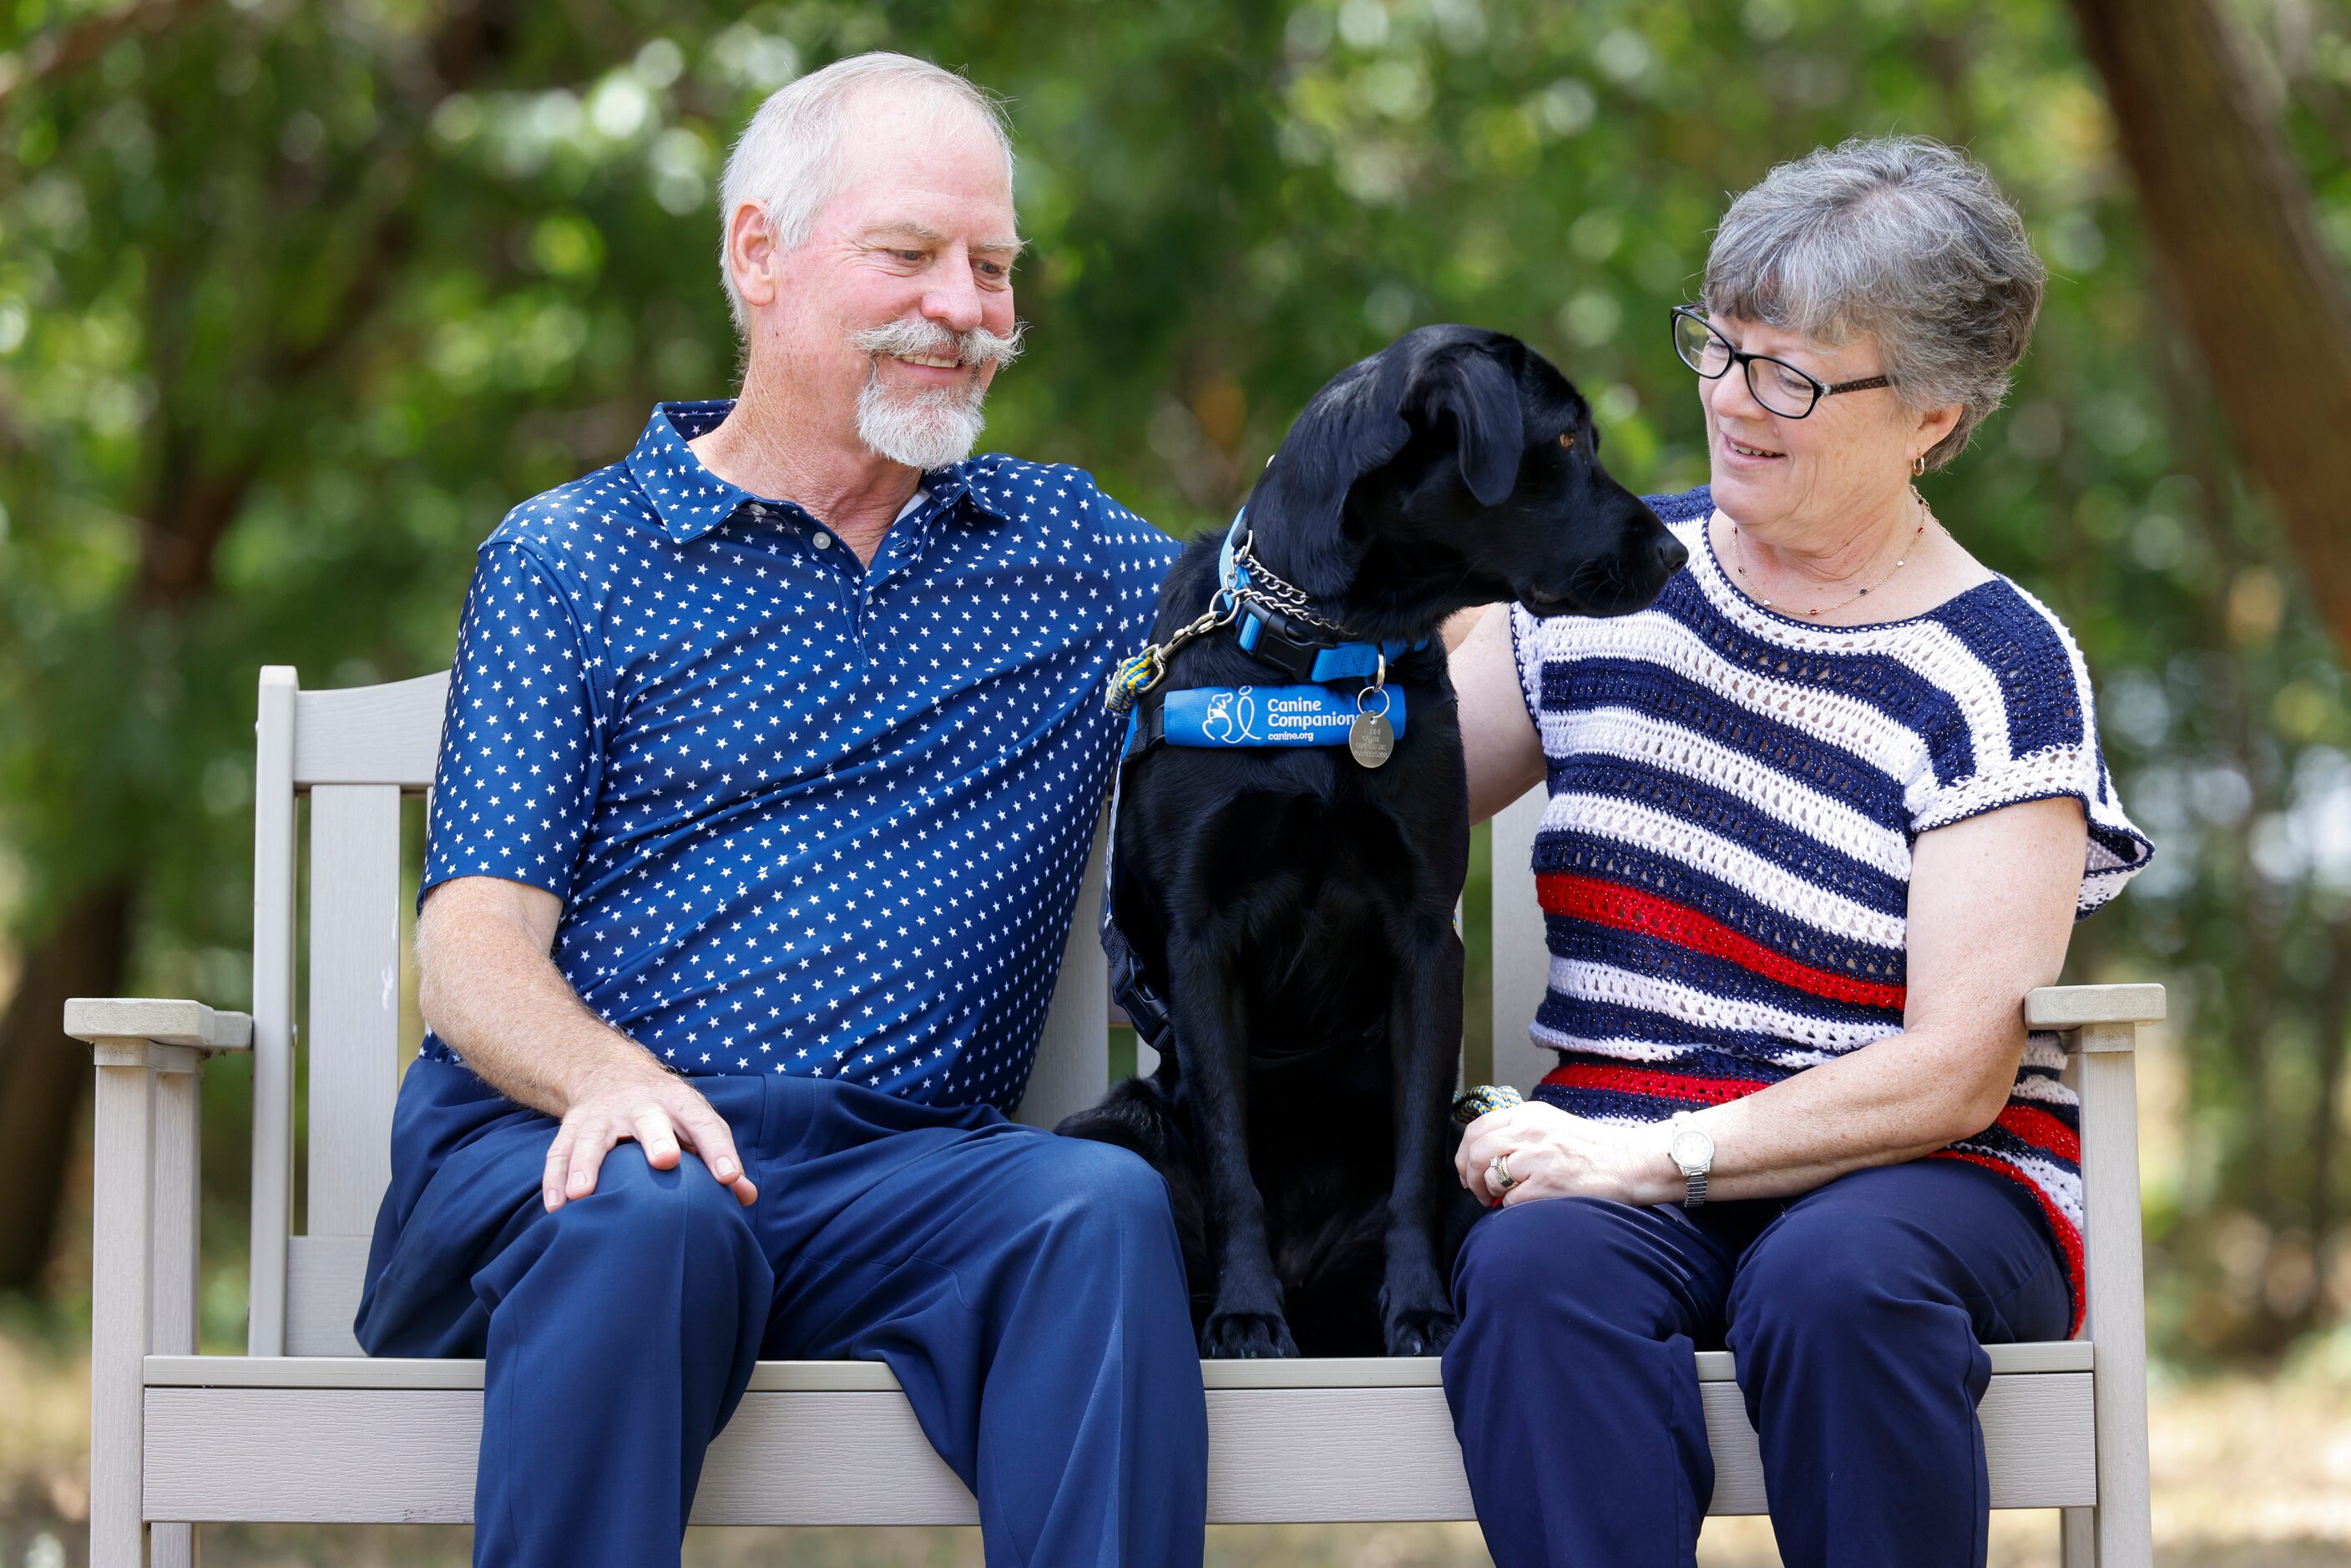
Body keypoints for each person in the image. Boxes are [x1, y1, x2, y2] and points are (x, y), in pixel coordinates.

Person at [352, 53, 1205, 1568]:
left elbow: (1341, 622)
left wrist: (1676, 574)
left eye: (994, 266)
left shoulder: (1072, 558)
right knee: (655, 1211)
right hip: (563, 1165)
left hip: (895, 1181)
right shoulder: (576, 558)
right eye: (910, 253)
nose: (966, 305)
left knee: (1096, 1205)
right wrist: (612, 1083)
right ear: (759, 253)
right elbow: (473, 948)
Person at [1439, 136, 2154, 1567]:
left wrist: (1665, 1152)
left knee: (1837, 1282)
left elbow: (1957, 1069)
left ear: (1937, 418)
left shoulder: (1993, 667)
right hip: (1616, 1142)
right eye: (1724, 345)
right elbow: (1387, 802)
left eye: (1797, 375)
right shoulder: (1607, 576)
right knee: (1530, 1271)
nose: (1732, 402)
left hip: (1928, 1171)